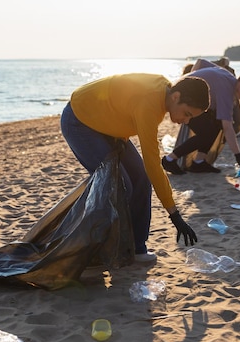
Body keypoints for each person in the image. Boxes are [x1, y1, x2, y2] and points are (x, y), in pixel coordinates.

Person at [60, 73, 210, 263]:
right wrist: (174, 215)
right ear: (176, 96)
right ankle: (90, 251)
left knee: (141, 179)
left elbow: (121, 102)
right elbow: (153, 163)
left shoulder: (164, 91)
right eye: (187, 114)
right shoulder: (151, 104)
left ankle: (136, 247)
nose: (186, 121)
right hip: (79, 120)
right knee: (118, 185)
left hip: (106, 127)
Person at [162, 60, 240, 174]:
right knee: (207, 132)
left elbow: (201, 63)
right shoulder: (227, 91)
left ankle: (198, 162)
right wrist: (238, 157)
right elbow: (228, 127)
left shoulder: (226, 74)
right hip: (186, 103)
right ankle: (170, 159)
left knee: (216, 125)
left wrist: (192, 80)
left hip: (190, 98)